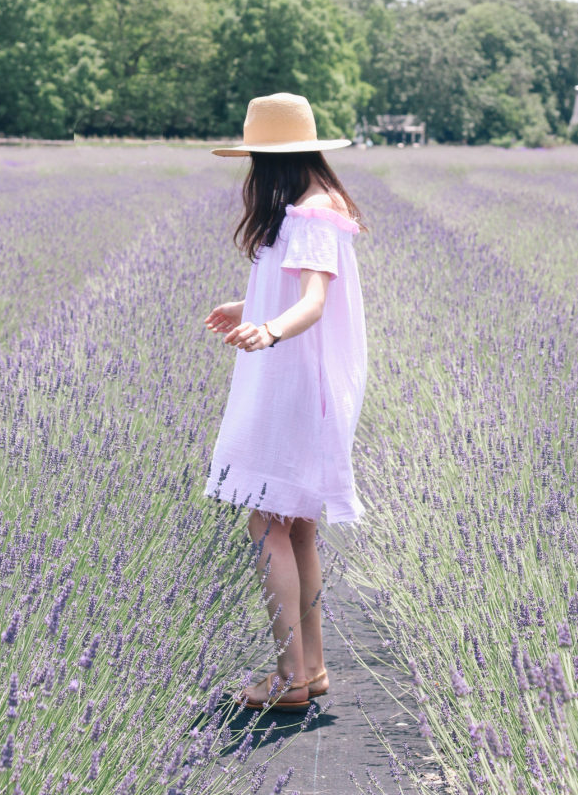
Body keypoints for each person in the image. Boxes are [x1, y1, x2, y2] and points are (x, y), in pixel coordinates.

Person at [204, 92, 368, 711]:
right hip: (295, 378)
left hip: (293, 382)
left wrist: (268, 330)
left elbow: (314, 303)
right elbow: (291, 288)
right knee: (295, 523)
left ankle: (290, 678)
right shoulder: (311, 208)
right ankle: (312, 668)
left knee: (264, 520)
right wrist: (247, 308)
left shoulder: (312, 213)